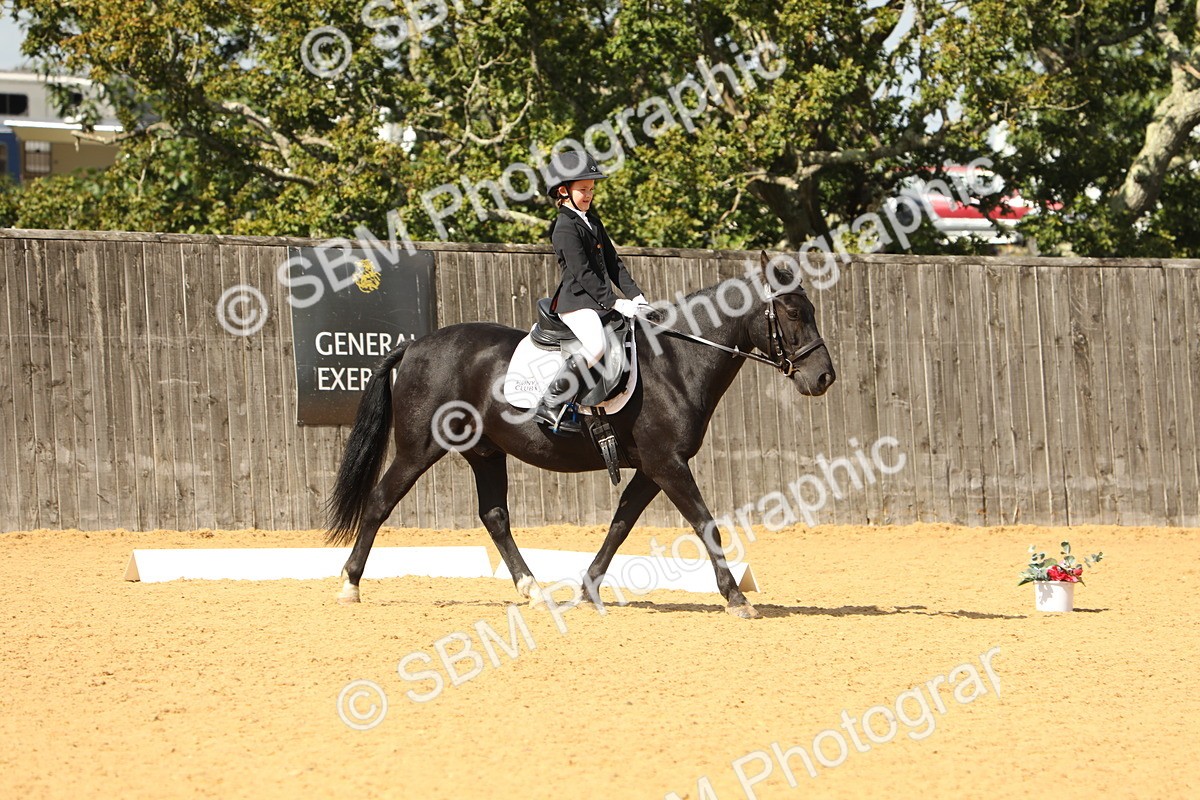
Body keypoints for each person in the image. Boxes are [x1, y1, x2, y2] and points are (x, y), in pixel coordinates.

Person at [533, 150, 652, 434]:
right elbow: (583, 273)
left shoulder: (593, 222)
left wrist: (636, 296)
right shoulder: (563, 227)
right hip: (576, 303)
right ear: (564, 191)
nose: (589, 195)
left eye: (591, 190)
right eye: (583, 190)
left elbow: (614, 264)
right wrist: (615, 302)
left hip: (597, 302)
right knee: (596, 346)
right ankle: (551, 402)